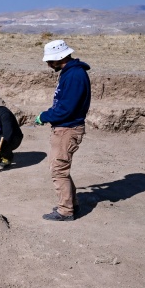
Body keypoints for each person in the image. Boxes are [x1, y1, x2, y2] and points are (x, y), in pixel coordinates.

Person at [35, 39, 91, 221]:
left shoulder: (75, 75)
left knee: (59, 169)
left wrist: (45, 116)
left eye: (50, 61)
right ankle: (71, 203)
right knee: (60, 167)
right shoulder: (70, 73)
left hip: (68, 128)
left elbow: (66, 109)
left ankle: (65, 211)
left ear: (60, 57)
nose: (48, 65)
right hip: (64, 127)